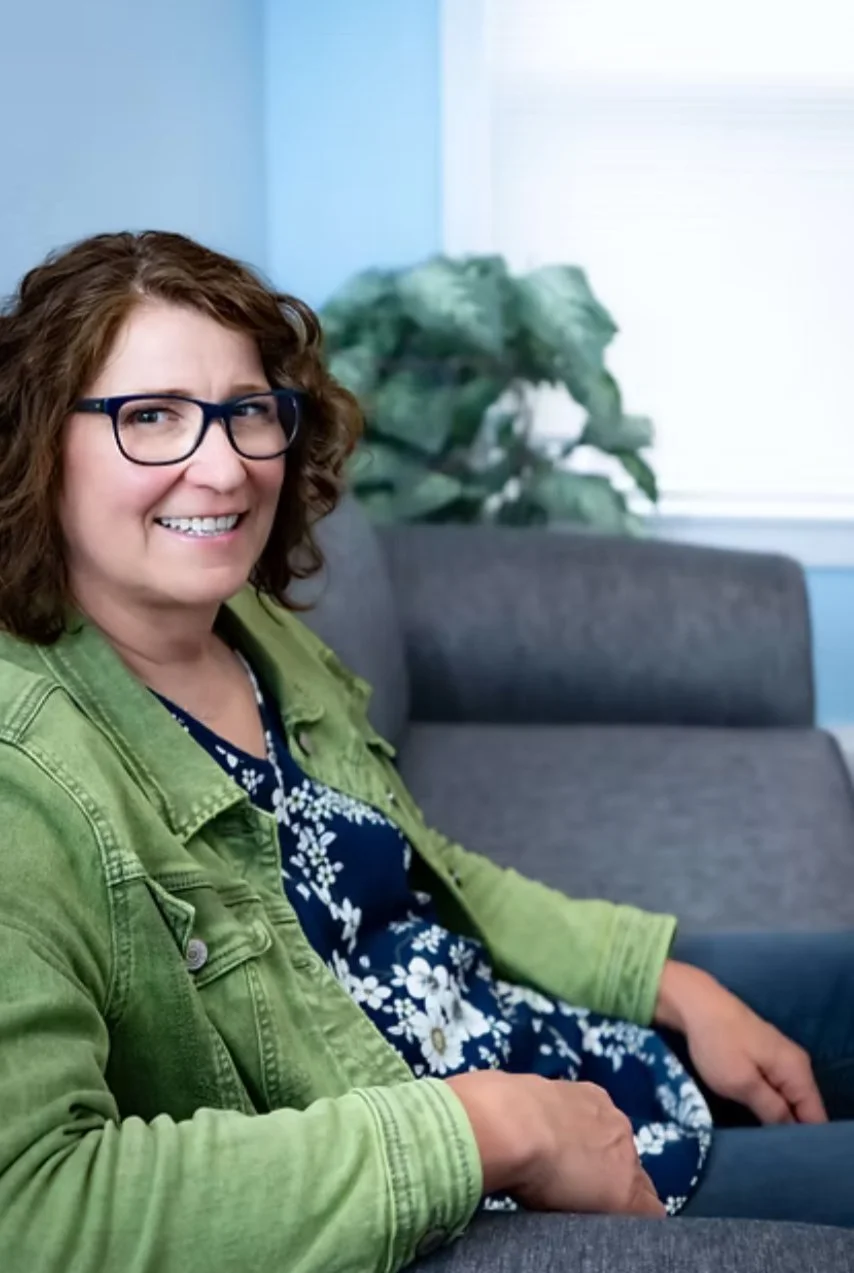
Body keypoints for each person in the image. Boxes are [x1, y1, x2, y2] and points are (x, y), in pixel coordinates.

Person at [0, 231, 851, 1273]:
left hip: (548, 1044)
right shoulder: (24, 779)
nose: (222, 466)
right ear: (39, 443)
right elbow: (35, 1210)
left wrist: (665, 982)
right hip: (464, 1193)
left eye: (246, 410)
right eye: (150, 416)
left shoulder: (246, 623)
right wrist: (497, 1129)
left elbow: (425, 869)